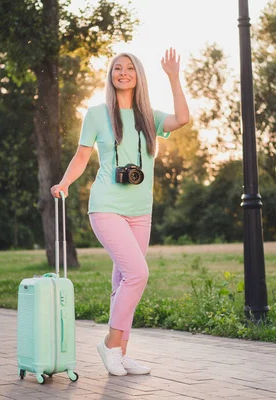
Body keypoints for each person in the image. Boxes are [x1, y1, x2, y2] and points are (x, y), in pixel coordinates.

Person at [50, 48, 189, 376]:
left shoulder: (149, 116)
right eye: (117, 68)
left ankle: (121, 354)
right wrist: (65, 182)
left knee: (124, 280)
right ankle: (111, 344)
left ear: (138, 75)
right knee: (138, 274)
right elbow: (82, 156)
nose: (122, 72)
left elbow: (182, 119)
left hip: (141, 211)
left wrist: (173, 76)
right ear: (111, 76)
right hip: (107, 206)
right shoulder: (97, 113)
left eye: (129, 68)